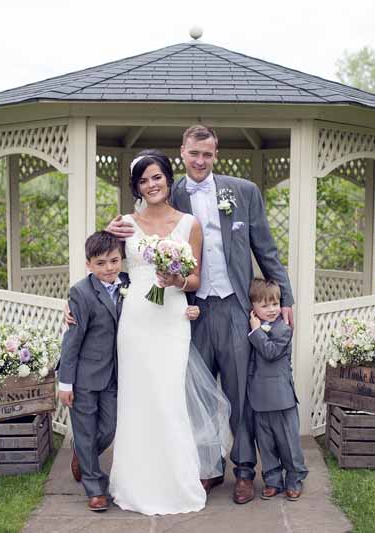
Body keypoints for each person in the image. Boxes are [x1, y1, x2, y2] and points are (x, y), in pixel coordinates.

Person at [106, 125, 294, 504]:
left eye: (207, 154)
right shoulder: (165, 191)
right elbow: (127, 254)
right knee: (192, 395)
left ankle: (243, 471)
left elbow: (266, 249)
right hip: (188, 311)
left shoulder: (243, 192)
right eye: (194, 153)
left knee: (239, 394)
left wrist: (284, 295)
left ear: (216, 153)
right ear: (182, 152)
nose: (200, 161)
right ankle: (207, 469)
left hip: (234, 307)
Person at [108, 149, 231, 515]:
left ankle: (177, 482)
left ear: (168, 179)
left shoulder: (189, 223)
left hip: (173, 317)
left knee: (169, 396)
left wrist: (177, 278)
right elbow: (105, 266)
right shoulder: (125, 224)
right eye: (143, 180)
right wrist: (75, 304)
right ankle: (135, 482)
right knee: (138, 398)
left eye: (157, 177)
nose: (151, 185)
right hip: (137, 320)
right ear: (137, 187)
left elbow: (194, 278)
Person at [56, 231, 129, 512]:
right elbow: (71, 341)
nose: (108, 268)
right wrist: (66, 383)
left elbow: (150, 303)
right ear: (89, 264)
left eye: (113, 261)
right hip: (85, 376)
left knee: (108, 429)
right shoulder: (81, 293)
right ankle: (95, 488)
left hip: (114, 374)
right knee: (85, 432)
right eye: (100, 263)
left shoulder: (128, 284)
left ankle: (82, 456)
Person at [246, 278, 308, 501]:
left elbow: (270, 352)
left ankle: (294, 478)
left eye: (275, 303)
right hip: (258, 397)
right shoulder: (252, 326)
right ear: (253, 306)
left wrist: (255, 332)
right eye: (264, 305)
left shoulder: (283, 329)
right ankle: (272, 480)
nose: (272, 310)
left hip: (281, 398)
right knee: (266, 443)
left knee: (288, 442)